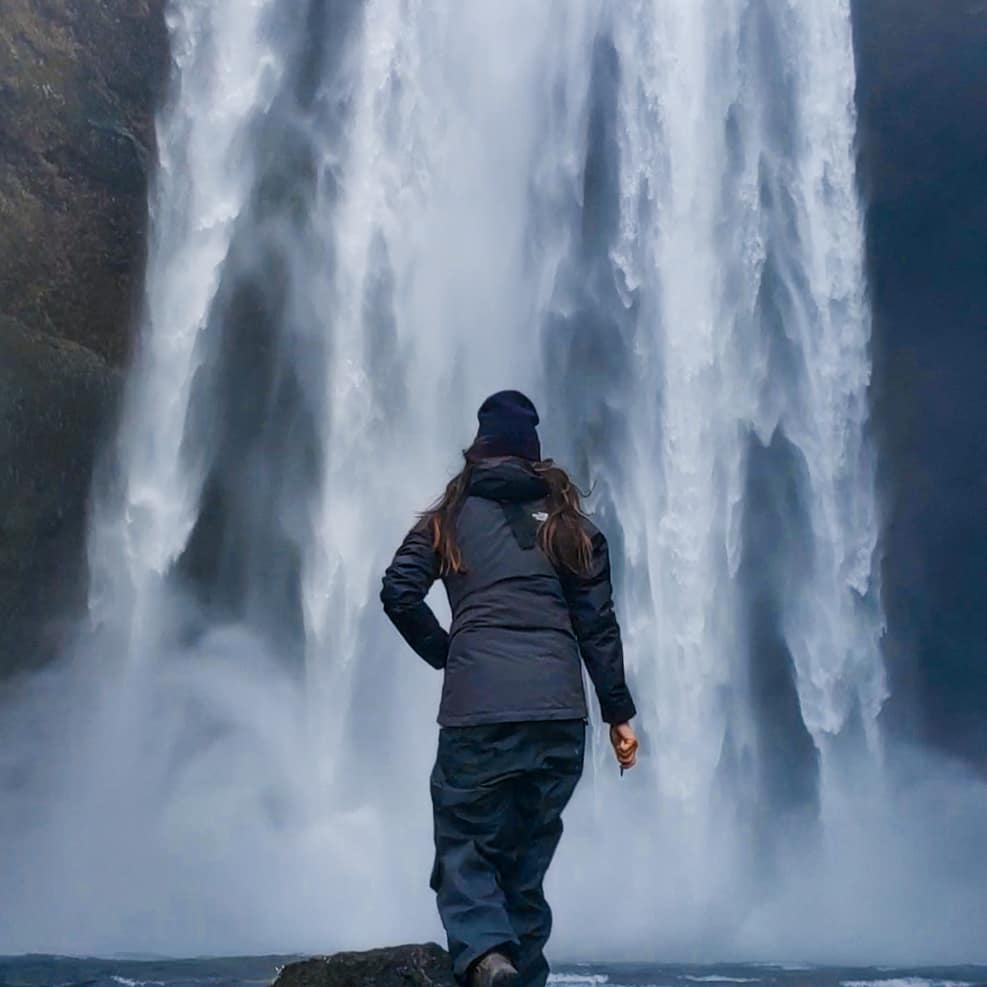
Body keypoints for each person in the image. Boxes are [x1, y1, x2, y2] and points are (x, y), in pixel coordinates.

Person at [380, 390, 638, 987]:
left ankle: (487, 960)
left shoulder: (447, 519)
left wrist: (448, 653)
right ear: (534, 455)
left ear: (480, 449)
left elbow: (399, 592)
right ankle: (516, 973)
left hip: (480, 715)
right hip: (558, 722)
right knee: (524, 870)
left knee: (465, 849)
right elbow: (597, 625)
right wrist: (618, 715)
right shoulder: (570, 526)